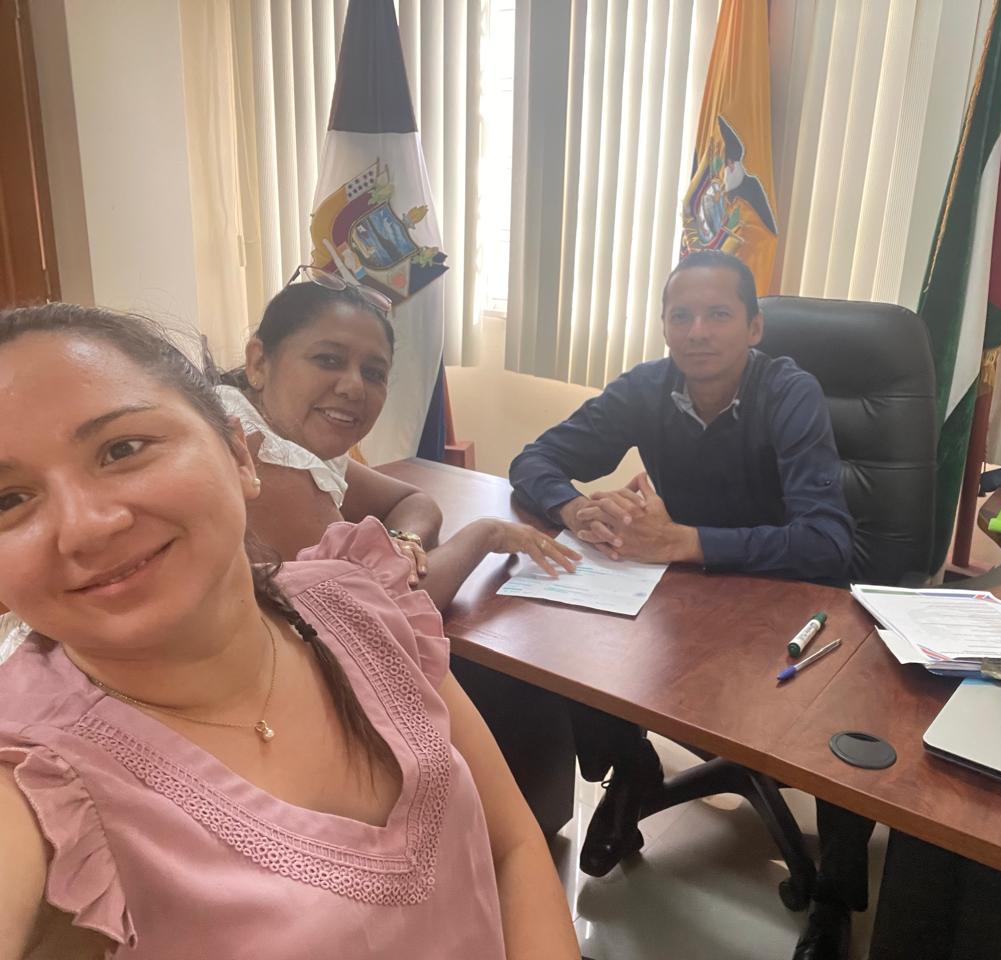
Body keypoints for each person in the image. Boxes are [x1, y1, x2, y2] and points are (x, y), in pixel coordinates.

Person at [0, 304, 580, 960]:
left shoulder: (348, 603)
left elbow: (510, 845)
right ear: (259, 365)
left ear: (238, 453)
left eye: (122, 449)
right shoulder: (37, 779)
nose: (87, 526)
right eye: (7, 500)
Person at [509, 250, 873, 960]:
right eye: (681, 315)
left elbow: (828, 544)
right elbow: (534, 460)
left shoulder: (789, 393)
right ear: (665, 326)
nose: (697, 331)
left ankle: (834, 894)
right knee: (570, 630)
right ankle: (632, 767)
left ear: (754, 328)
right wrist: (575, 508)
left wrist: (685, 541)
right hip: (693, 592)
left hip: (799, 598)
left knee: (851, 710)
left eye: (718, 314)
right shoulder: (646, 387)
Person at [220, 271, 578, 602]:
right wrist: (486, 534)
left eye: (373, 373)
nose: (354, 387)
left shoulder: (283, 434)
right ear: (258, 362)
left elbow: (413, 502)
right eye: (328, 360)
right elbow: (383, 611)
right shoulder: (263, 460)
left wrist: (401, 544)